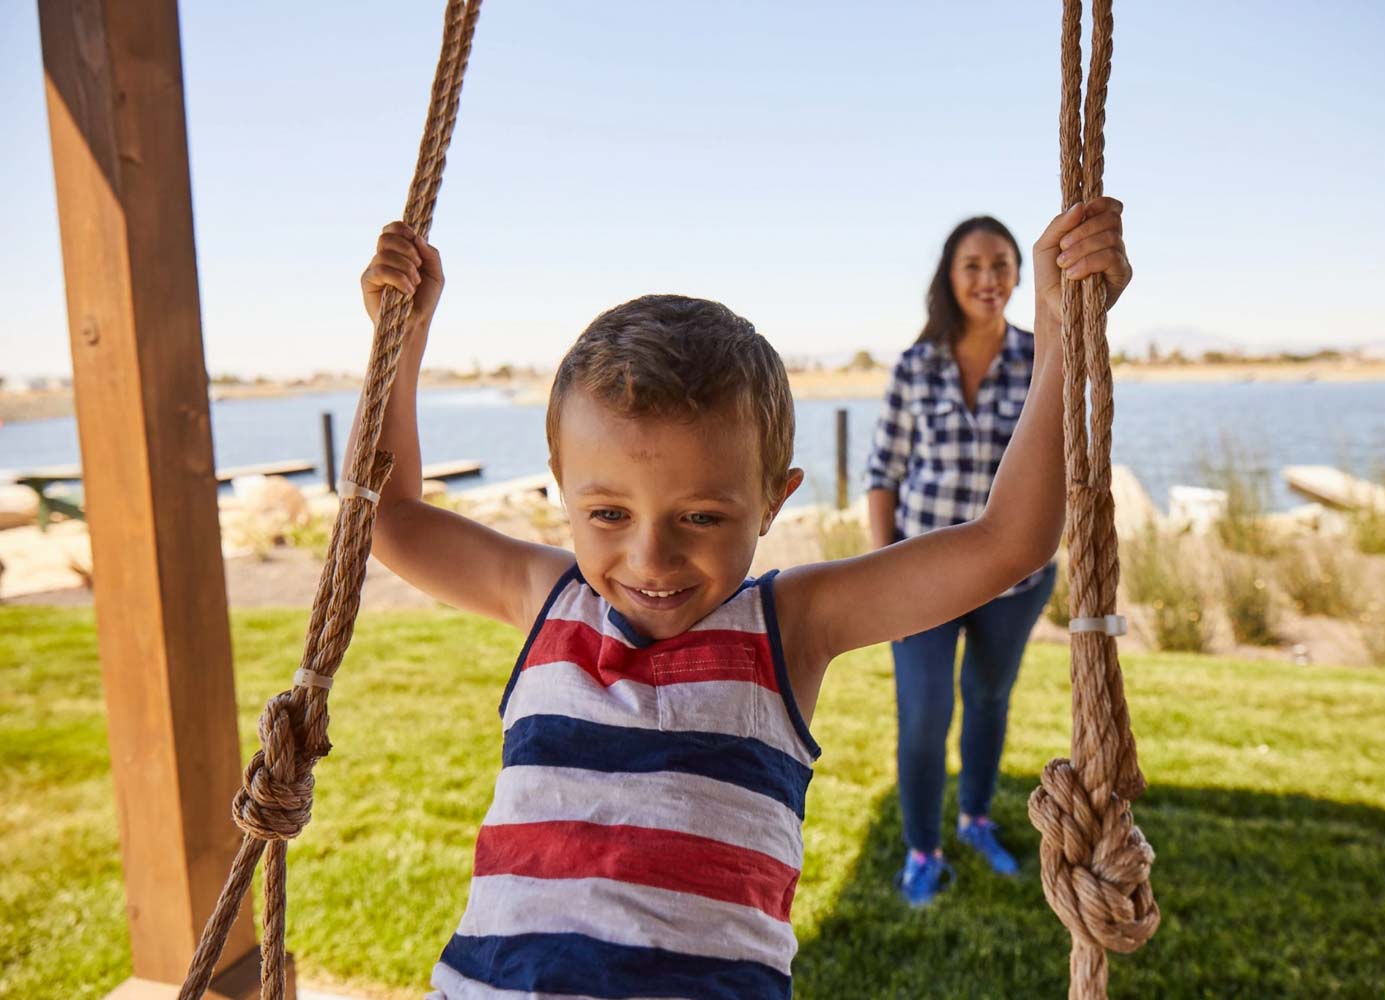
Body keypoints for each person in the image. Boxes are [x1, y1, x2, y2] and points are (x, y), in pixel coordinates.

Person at [356, 197, 1129, 998]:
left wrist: (1061, 332)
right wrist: (399, 339)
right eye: (608, 514)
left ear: (773, 500)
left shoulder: (788, 627)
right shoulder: (544, 597)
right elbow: (392, 516)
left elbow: (1007, 545)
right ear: (563, 492)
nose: (650, 556)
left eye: (701, 516)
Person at [866, 214, 1064, 906]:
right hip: (921, 576)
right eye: (973, 265)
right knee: (923, 716)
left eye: (1002, 264)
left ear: (1019, 274)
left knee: (987, 701)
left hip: (1015, 581)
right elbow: (884, 474)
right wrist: (880, 579)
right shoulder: (915, 368)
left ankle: (976, 819)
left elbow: (1064, 463)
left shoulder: (1044, 359)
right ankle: (924, 850)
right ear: (950, 278)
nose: (989, 278)